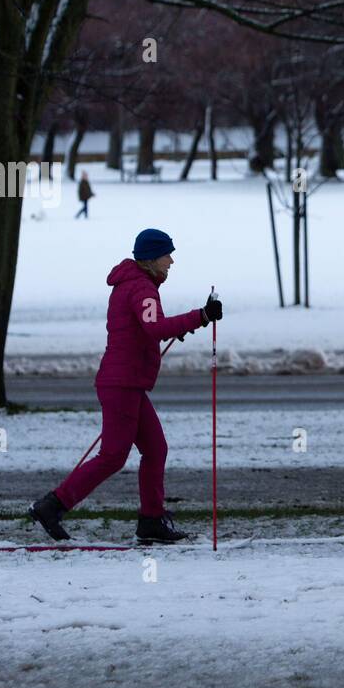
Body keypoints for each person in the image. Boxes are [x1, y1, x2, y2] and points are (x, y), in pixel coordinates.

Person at [29, 229, 222, 543]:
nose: (171, 261)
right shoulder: (141, 288)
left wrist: (188, 322)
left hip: (127, 383)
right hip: (122, 384)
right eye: (166, 254)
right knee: (113, 456)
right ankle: (52, 506)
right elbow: (156, 327)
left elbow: (147, 328)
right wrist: (200, 316)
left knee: (155, 449)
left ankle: (151, 522)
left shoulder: (134, 285)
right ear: (150, 259)